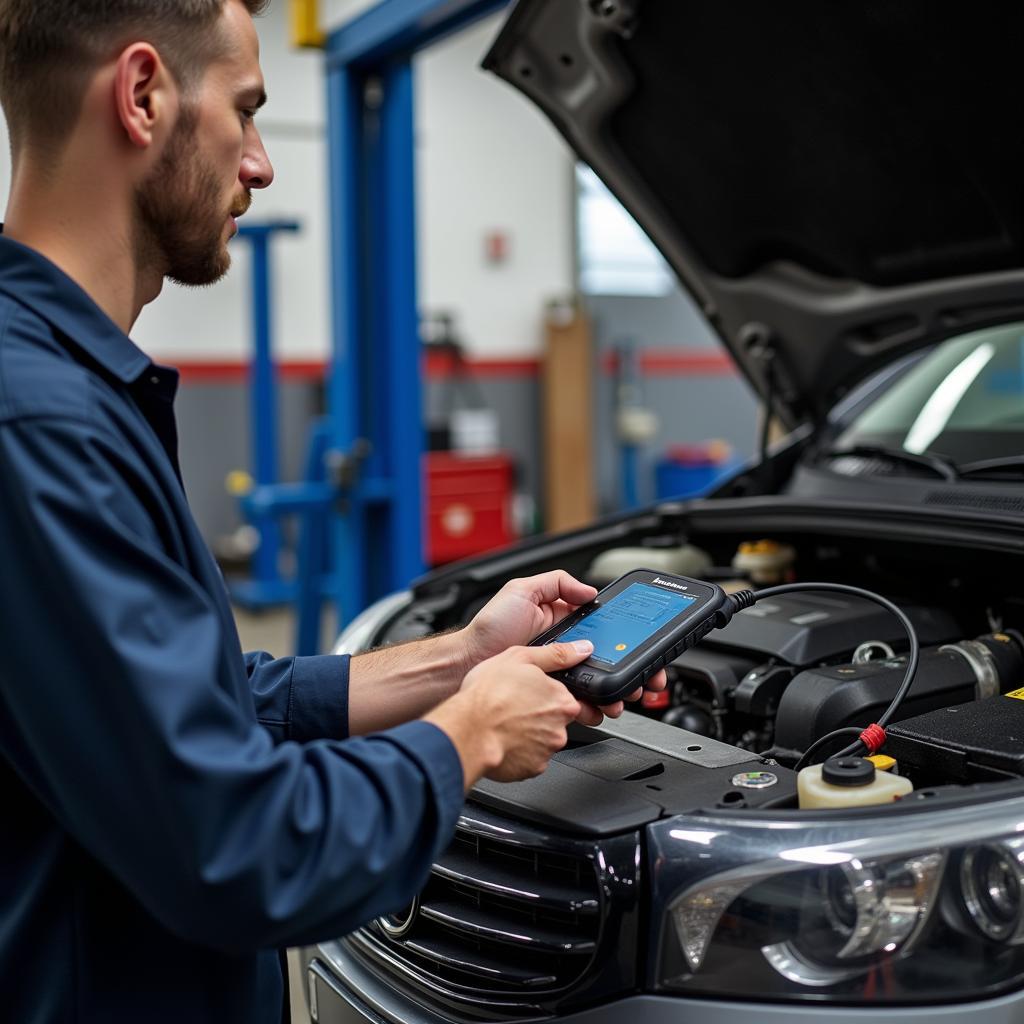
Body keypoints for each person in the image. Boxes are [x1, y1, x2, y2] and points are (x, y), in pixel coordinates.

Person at [0, 2, 666, 1022]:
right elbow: (238, 851)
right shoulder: (40, 422)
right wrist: (471, 735)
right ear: (141, 96)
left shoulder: (65, 389)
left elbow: (200, 704)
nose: (261, 166)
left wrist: (461, 660)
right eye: (247, 111)